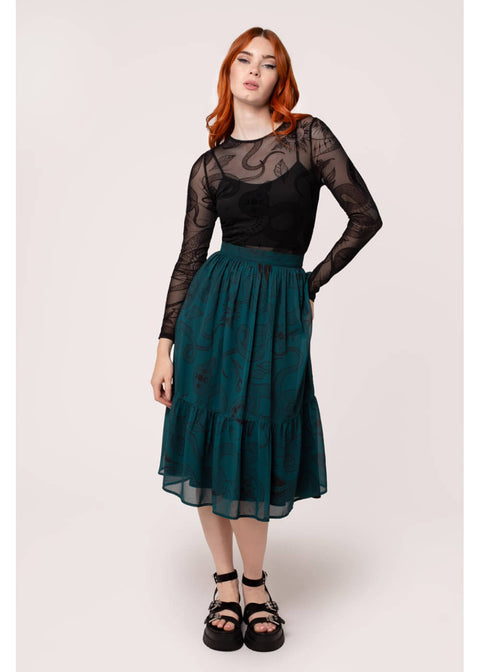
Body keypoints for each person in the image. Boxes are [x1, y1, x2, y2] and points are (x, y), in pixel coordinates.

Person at [150, 27, 383, 652]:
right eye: (244, 60)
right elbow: (189, 258)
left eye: (269, 63)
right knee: (209, 440)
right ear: (229, 72)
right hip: (211, 311)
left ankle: (256, 586)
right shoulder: (208, 166)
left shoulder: (308, 137)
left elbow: (366, 216)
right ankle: (225, 584)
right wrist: (164, 345)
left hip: (279, 308)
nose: (254, 70)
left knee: (256, 434)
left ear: (281, 78)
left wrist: (310, 283)